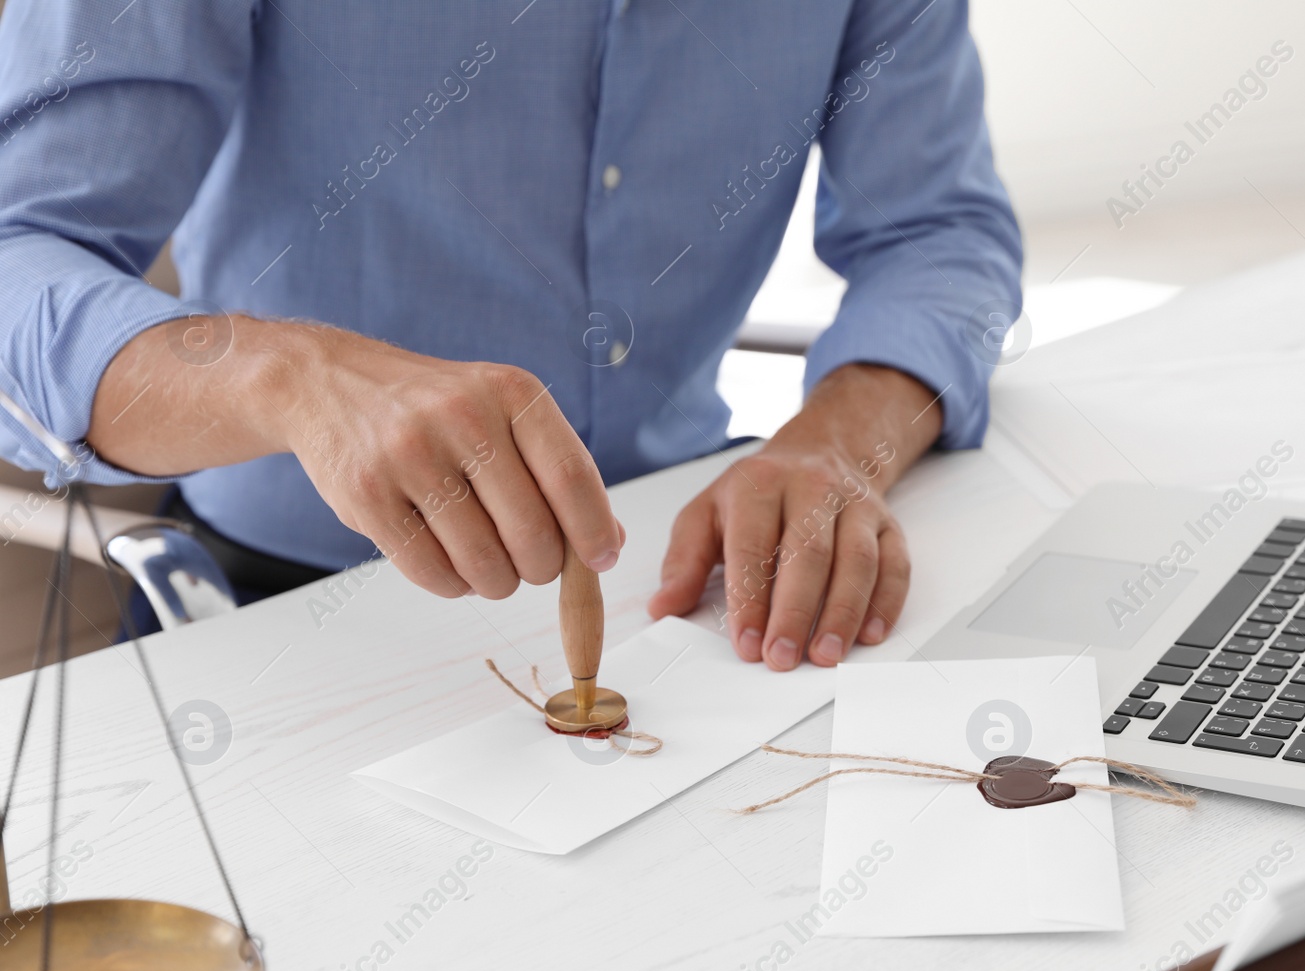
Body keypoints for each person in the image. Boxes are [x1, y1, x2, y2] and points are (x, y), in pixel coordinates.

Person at [0, 0, 1020, 670]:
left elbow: (942, 231)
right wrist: (296, 378)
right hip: (284, 611)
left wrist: (843, 435)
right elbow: (19, 255)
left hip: (687, 592)